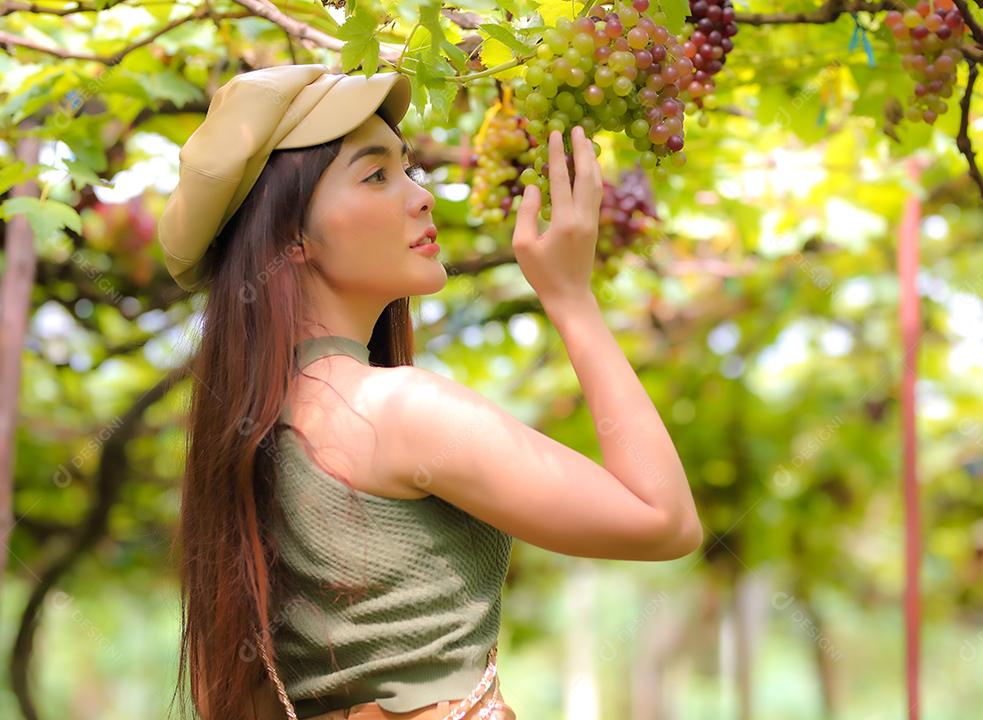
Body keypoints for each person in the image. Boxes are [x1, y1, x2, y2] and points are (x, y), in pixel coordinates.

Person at [157, 63, 702, 720]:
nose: (420, 196)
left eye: (408, 169)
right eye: (376, 174)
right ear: (291, 238)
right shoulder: (399, 411)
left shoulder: (249, 443)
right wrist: (571, 299)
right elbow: (664, 519)